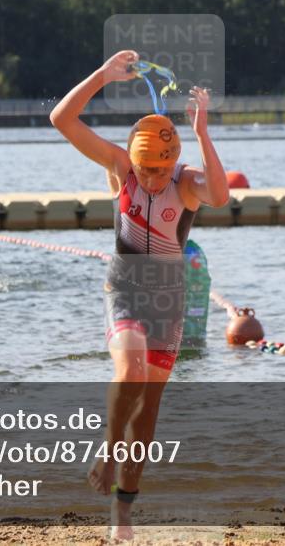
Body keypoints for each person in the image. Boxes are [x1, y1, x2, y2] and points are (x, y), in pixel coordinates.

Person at [50, 50, 229, 540]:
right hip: (126, 287)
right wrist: (103, 76)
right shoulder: (120, 167)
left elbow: (220, 195)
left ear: (171, 160)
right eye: (143, 169)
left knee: (148, 408)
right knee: (127, 369)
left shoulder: (186, 181)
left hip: (168, 298)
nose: (149, 179)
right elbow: (61, 119)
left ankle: (123, 510)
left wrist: (204, 135)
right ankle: (109, 451)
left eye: (157, 171)